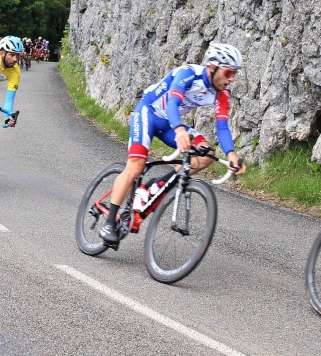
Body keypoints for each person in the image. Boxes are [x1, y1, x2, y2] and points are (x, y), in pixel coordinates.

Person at [98, 43, 247, 248]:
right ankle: (109, 222)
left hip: (169, 123)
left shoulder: (222, 94)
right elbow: (172, 104)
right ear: (213, 67)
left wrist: (231, 154)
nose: (231, 79)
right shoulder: (188, 73)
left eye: (235, 74)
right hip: (148, 113)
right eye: (229, 72)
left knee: (206, 153)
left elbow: (222, 126)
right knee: (135, 167)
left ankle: (158, 185)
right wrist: (179, 129)